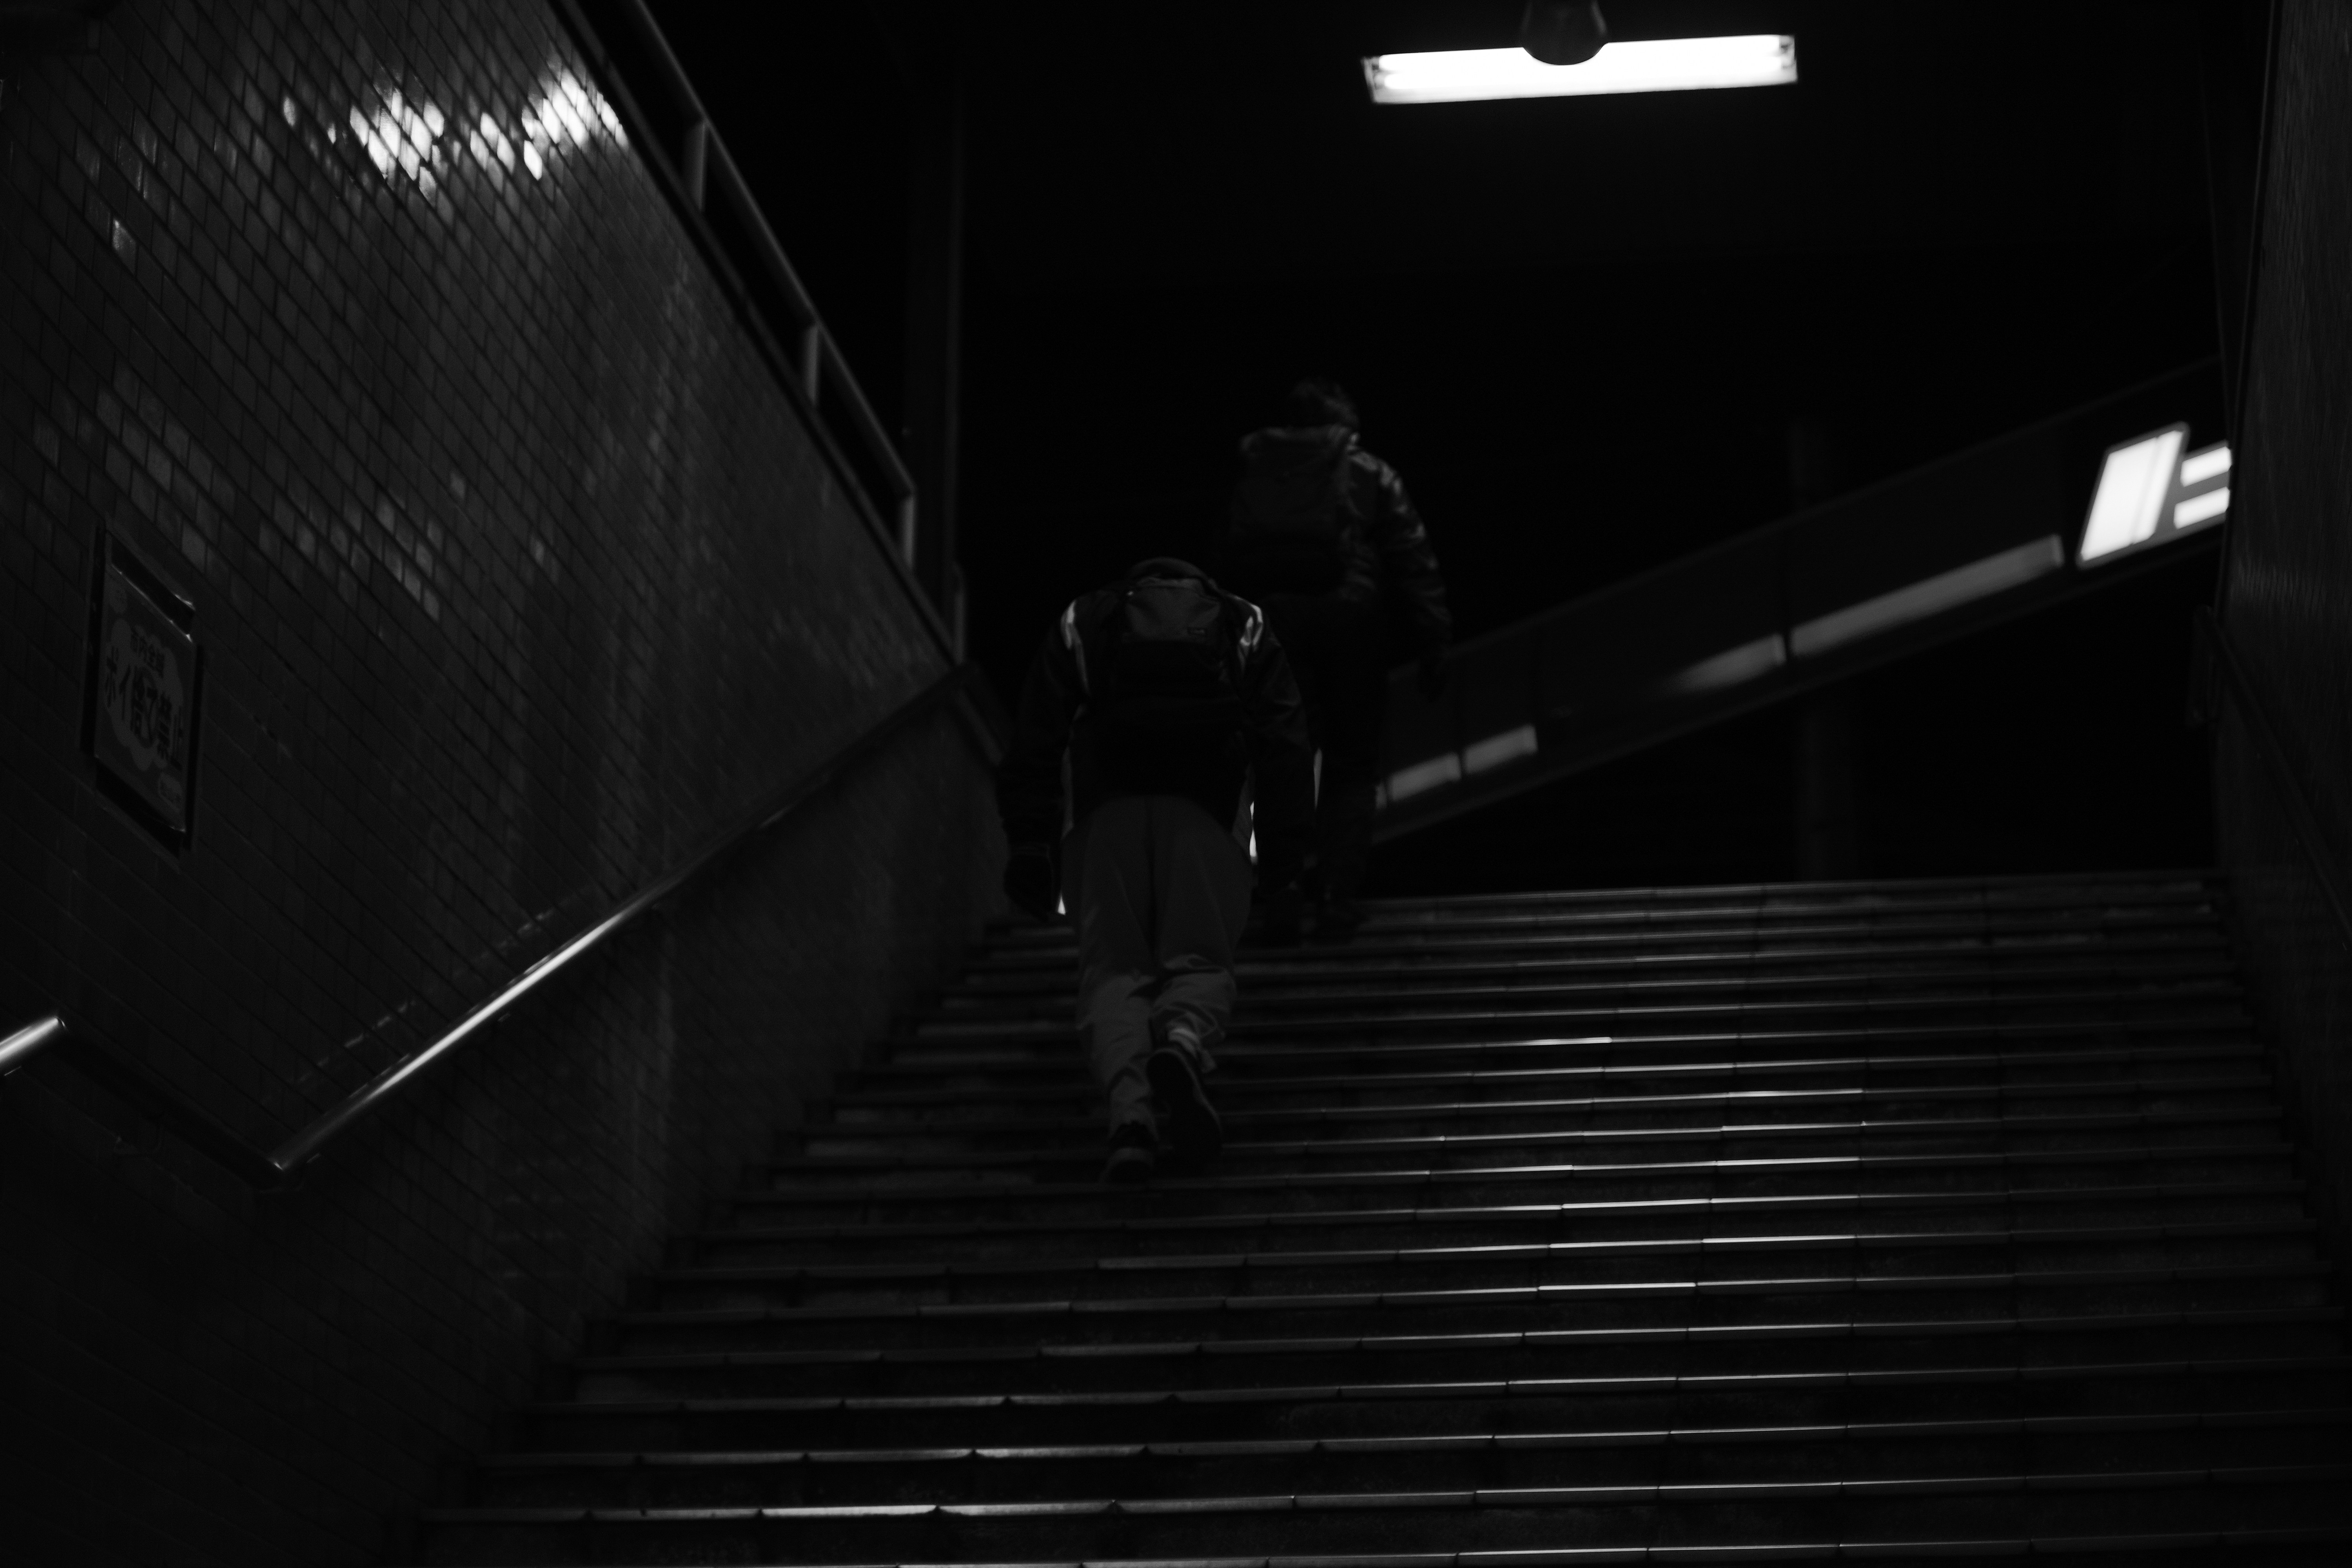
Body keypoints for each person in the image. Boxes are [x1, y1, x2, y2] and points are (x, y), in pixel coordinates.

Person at [998, 557, 1315, 1185]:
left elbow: (1036, 737)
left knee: (1114, 970)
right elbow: (1284, 744)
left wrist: (1029, 843)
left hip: (1103, 816)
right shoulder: (1243, 622)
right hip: (1207, 814)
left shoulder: (1086, 619)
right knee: (1198, 958)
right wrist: (1284, 865)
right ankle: (1183, 1040)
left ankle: (1131, 1124)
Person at [1225, 379, 1453, 934]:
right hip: (1353, 619)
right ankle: (1336, 896)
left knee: (1285, 759)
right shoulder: (1370, 472)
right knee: (1351, 762)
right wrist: (1432, 639)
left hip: (1277, 624)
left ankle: (1281, 890)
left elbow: (1228, 553)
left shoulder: (1257, 472)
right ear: (1343, 425)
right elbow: (1412, 556)